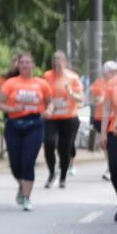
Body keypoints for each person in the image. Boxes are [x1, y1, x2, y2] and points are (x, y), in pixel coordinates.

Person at [0, 53, 53, 211]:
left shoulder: (41, 84)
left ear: (33, 65)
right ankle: (22, 186)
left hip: (35, 124)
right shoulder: (10, 83)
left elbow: (50, 103)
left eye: (28, 62)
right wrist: (12, 108)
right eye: (22, 63)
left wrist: (49, 111)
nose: (25, 65)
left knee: (28, 162)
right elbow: (0, 104)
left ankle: (27, 198)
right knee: (15, 165)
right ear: (18, 66)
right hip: (14, 124)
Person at [42, 51, 84, 189]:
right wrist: (46, 107)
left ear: (65, 62)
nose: (57, 64)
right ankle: (52, 173)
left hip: (69, 118)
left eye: (59, 61)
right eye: (54, 61)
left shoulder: (73, 77)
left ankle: (63, 176)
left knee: (64, 149)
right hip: (52, 117)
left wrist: (71, 93)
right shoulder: (47, 76)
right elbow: (42, 95)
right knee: (49, 143)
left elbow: (81, 98)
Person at [98, 50, 117, 222]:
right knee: (115, 168)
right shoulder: (113, 83)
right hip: (115, 130)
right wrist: (103, 134)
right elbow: (106, 109)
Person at [90, 60, 117, 180]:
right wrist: (100, 99)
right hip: (101, 118)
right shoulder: (98, 83)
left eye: (115, 71)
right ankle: (110, 167)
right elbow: (94, 99)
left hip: (116, 118)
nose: (113, 73)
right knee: (106, 146)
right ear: (105, 72)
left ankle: (114, 167)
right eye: (110, 71)